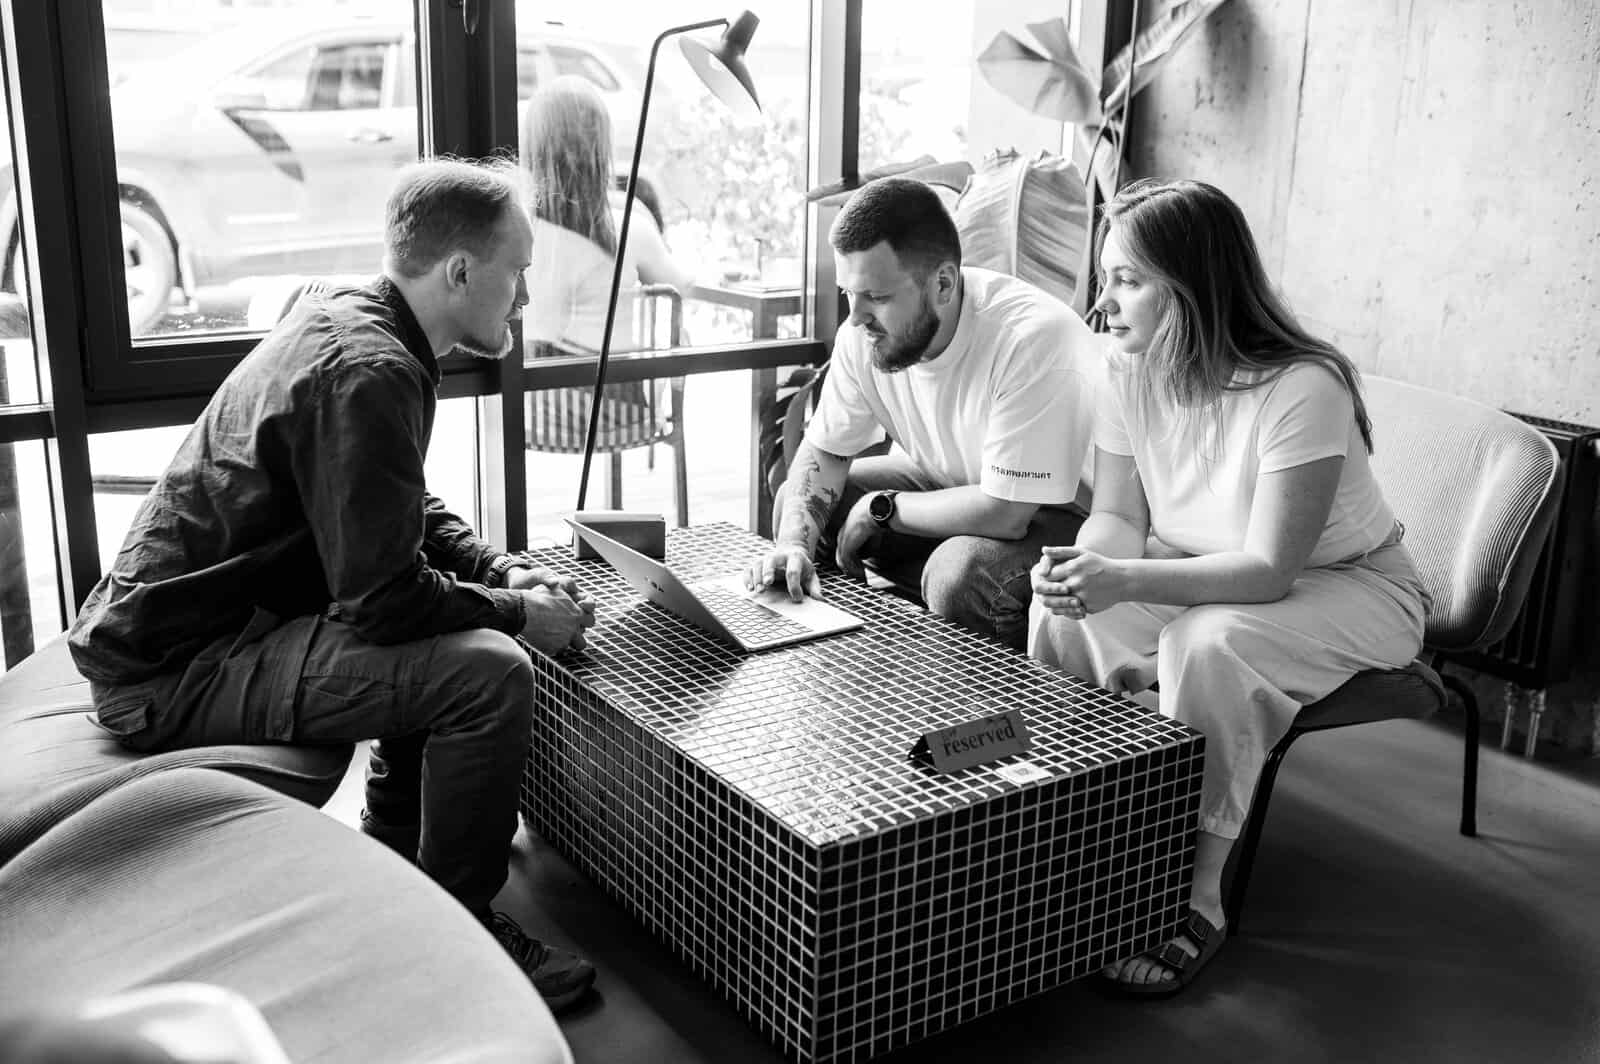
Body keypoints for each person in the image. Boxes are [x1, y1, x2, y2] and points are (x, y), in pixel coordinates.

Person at [67, 158, 600, 1013]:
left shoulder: (353, 322)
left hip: (186, 633)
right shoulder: (372, 370)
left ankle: (392, 863)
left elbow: (394, 501)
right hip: (176, 670)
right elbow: (383, 603)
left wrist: (494, 568)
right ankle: (457, 938)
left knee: (460, 628)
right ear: (461, 271)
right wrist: (518, 616)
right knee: (490, 670)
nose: (526, 297)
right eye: (519, 272)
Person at [1028, 178, 1428, 996]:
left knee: (1204, 643)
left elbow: (1270, 569)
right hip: (1206, 568)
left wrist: (1123, 577)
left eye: (1126, 280)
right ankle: (1092, 840)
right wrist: (1080, 567)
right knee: (1065, 615)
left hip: (1353, 585)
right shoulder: (1126, 368)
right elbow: (1117, 516)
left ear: (1193, 286)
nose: (1102, 302)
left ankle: (1194, 895)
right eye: (1105, 278)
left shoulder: (1303, 386)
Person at [746, 175, 1098, 650]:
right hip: (958, 486)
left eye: (877, 297)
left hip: (1065, 513)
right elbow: (825, 455)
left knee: (959, 574)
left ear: (943, 284)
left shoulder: (1030, 339)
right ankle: (844, 660)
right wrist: (793, 546)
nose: (855, 317)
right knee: (803, 506)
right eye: (849, 293)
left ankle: (997, 698)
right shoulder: (862, 334)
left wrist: (883, 508)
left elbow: (1006, 513)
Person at [520, 76, 693, 447]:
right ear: (600, 146)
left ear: (532, 146)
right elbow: (683, 288)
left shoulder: (515, 227)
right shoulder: (628, 226)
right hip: (614, 414)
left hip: (530, 411)